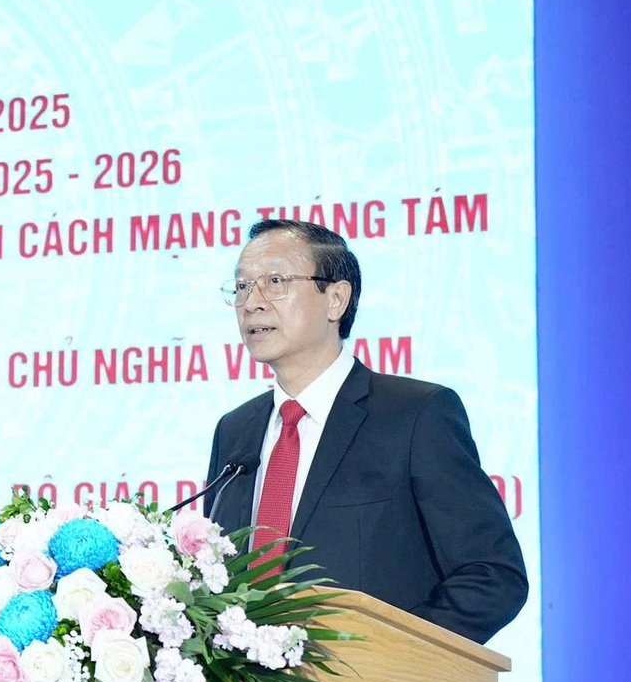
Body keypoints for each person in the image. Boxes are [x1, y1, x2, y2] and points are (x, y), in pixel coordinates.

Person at [204, 219, 527, 644]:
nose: (251, 303)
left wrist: (393, 656)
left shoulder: (415, 414)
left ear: (336, 299)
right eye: (242, 286)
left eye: (275, 282)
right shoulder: (235, 430)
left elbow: (493, 575)